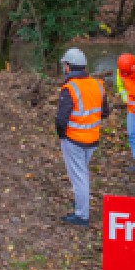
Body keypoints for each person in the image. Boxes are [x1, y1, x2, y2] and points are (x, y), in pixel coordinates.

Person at [56, 47, 110, 227]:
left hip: (74, 139)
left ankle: (82, 215)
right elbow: (105, 112)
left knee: (79, 177)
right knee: (82, 174)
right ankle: (81, 203)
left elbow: (61, 119)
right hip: (92, 139)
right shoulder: (98, 84)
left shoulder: (69, 88)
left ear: (69, 67)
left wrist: (62, 136)